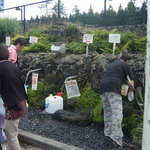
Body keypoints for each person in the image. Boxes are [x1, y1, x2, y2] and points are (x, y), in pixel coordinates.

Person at [99, 50, 134, 147]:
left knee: (108, 111)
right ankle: (116, 137)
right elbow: (131, 82)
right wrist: (131, 91)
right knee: (117, 113)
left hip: (102, 88)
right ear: (127, 61)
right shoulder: (126, 66)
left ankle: (108, 132)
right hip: (113, 88)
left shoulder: (112, 65)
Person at [0, 44, 28, 150]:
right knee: (12, 133)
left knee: (12, 136)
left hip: (13, 106)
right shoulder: (12, 65)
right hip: (21, 102)